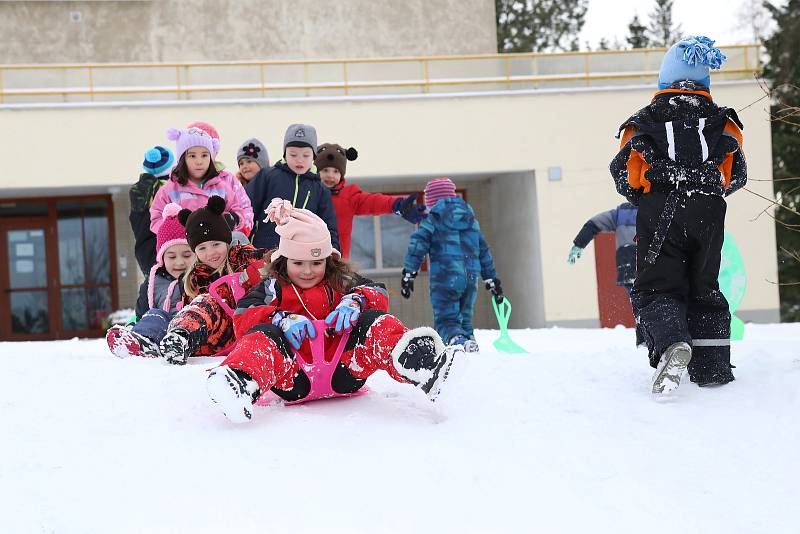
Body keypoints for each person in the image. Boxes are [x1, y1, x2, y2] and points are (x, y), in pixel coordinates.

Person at [205, 198, 462, 423]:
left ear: (329, 260)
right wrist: (279, 318)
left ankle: (421, 364)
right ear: (284, 260)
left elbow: (379, 293)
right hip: (293, 377)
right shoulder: (273, 286)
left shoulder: (340, 281)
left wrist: (356, 301)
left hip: (346, 369)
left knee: (371, 320)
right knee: (264, 334)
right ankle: (241, 382)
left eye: (317, 262)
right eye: (298, 263)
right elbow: (243, 315)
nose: (307, 271)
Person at [609, 35, 746, 394]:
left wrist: (645, 193)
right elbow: (738, 175)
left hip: (661, 210)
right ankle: (713, 368)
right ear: (705, 82)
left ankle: (672, 343)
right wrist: (709, 192)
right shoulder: (724, 122)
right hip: (709, 209)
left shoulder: (642, 122)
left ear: (664, 80)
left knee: (657, 286)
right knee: (705, 287)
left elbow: (623, 175)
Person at [155, 196, 270, 363]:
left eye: (216, 244)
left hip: (251, 325)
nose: (211, 253)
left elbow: (270, 260)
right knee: (206, 302)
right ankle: (181, 337)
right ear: (195, 251)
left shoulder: (241, 257)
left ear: (226, 240)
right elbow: (195, 310)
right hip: (216, 339)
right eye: (202, 248)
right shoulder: (194, 277)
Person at [400, 178, 503, 353]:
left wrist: (409, 272)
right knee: (465, 320)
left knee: (446, 321)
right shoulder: (471, 221)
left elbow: (418, 244)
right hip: (471, 278)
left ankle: (460, 343)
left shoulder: (434, 219)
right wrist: (491, 279)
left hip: (445, 278)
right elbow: (484, 250)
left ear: (431, 201)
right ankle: (469, 347)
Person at [106, 203, 194, 358]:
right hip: (160, 330)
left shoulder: (199, 278)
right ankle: (138, 342)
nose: (179, 262)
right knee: (154, 315)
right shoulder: (153, 282)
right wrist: (135, 325)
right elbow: (142, 312)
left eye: (186, 255)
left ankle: (168, 345)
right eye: (172, 256)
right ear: (161, 257)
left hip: (188, 331)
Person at [315, 142, 426, 259]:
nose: (330, 175)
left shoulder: (348, 197)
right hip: (307, 258)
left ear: (341, 175)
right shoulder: (309, 193)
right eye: (325, 170)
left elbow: (373, 201)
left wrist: (397, 205)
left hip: (337, 261)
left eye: (336, 171)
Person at [246, 124, 340, 251]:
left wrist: (333, 249)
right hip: (264, 252)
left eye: (306, 155)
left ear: (314, 157)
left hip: (302, 257)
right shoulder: (268, 176)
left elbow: (328, 225)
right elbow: (247, 209)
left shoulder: (320, 189)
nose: (299, 160)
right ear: (285, 154)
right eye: (293, 154)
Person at [149, 126, 253, 237]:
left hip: (217, 249)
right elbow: (156, 219)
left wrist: (232, 219)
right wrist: (176, 231)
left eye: (204, 155)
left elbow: (238, 211)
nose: (199, 161)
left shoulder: (222, 187)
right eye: (192, 156)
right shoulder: (169, 190)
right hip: (184, 250)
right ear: (182, 159)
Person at [129, 145, 174, 275]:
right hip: (169, 253)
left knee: (152, 291)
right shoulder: (171, 190)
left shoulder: (138, 191)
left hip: (145, 254)